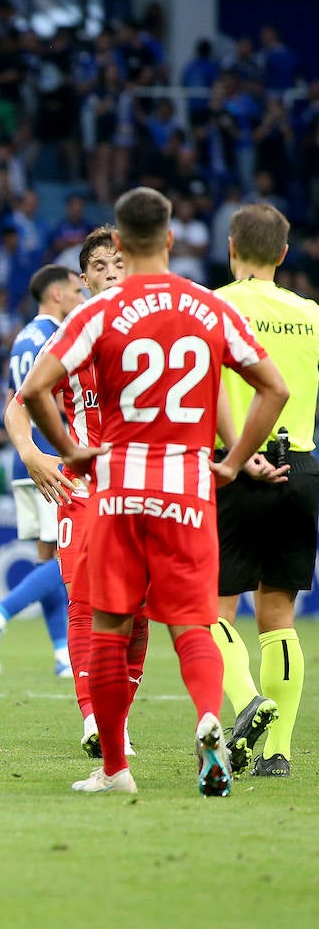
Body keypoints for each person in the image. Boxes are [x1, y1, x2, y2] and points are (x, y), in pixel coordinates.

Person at [22, 186, 289, 796]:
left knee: (110, 629)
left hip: (117, 492)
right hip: (189, 491)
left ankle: (116, 770)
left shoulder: (96, 314)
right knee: (193, 624)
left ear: (119, 243)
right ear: (171, 239)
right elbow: (273, 389)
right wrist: (233, 461)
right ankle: (209, 720)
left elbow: (37, 389)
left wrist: (69, 449)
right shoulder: (207, 306)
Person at [3, 227, 150, 759]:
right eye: (100, 266)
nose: (112, 272)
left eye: (119, 263)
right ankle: (95, 720)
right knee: (86, 605)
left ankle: (117, 721)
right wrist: (32, 453)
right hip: (84, 490)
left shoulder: (157, 330)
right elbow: (17, 405)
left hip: (147, 489)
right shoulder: (70, 337)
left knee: (138, 614)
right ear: (83, 280)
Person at [210, 203, 319, 778]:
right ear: (283, 252)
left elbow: (205, 391)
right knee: (278, 616)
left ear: (232, 248)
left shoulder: (216, 306)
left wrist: (235, 455)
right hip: (300, 467)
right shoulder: (312, 315)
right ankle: (278, 751)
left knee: (212, 607)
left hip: (238, 464)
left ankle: (248, 702)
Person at [0, 264, 86, 678]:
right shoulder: (55, 338)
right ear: (56, 294)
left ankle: (60, 654)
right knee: (68, 559)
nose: (81, 296)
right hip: (50, 457)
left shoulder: (23, 337)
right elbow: (45, 397)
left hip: (27, 457)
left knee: (48, 559)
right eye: (75, 289)